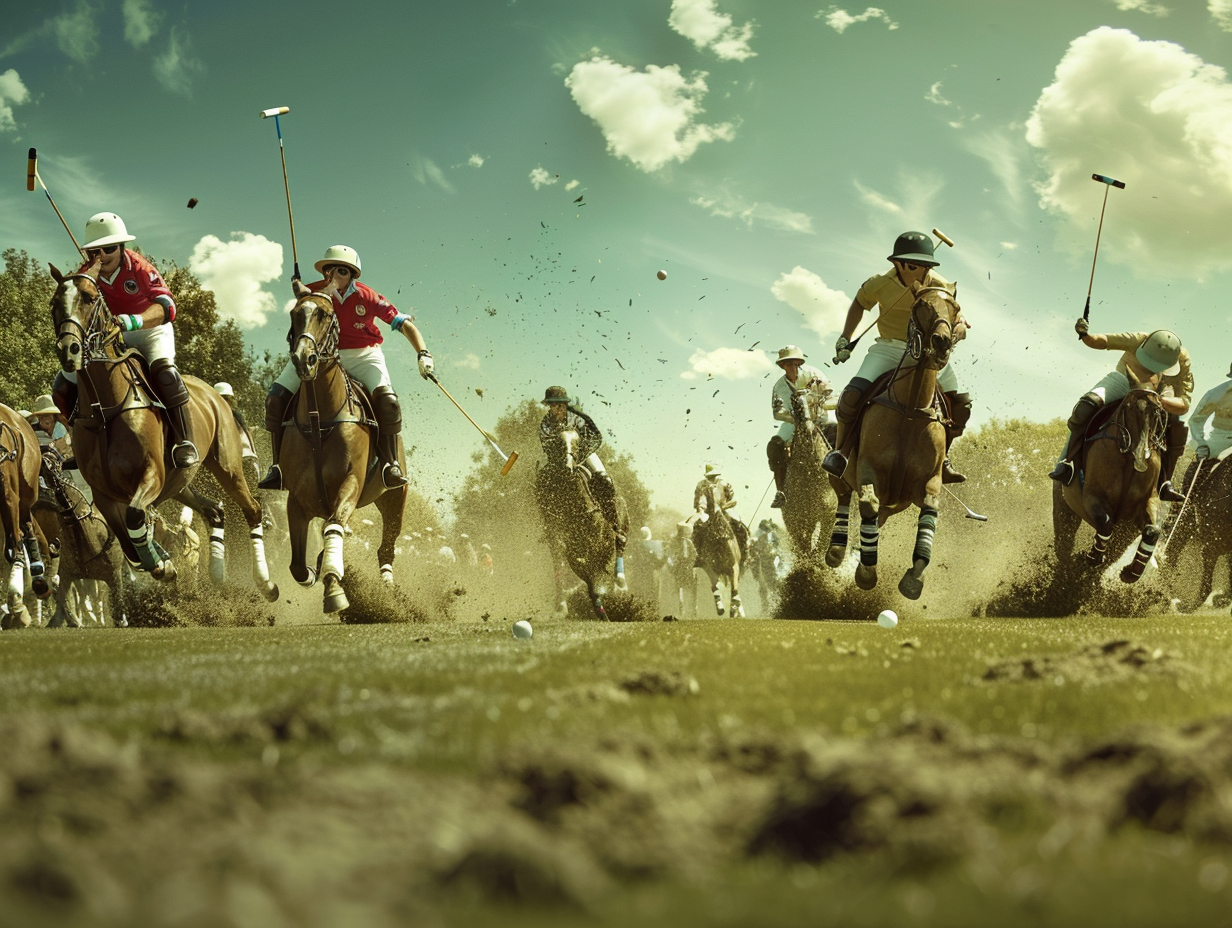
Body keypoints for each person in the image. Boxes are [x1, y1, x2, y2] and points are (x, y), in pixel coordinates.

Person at [259, 245, 433, 491]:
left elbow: (404, 324)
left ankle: (390, 464)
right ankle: (276, 467)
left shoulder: (368, 297)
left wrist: (423, 353)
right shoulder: (314, 292)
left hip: (364, 355)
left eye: (341, 271)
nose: (333, 277)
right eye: (328, 271)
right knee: (275, 398)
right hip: (321, 355)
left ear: (352, 275)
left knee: (388, 401)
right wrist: (302, 294)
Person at [823, 231, 972, 483]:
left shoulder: (940, 285)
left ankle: (943, 458)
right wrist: (845, 338)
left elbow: (958, 321)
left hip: (927, 354)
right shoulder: (879, 283)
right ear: (897, 263)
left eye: (926, 265)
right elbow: (859, 304)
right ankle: (841, 454)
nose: (921, 271)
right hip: (889, 349)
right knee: (851, 396)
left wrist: (957, 332)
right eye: (914, 265)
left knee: (962, 406)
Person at [55, 212, 198, 467]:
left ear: (121, 247)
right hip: (112, 335)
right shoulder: (87, 274)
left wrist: (133, 321)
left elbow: (167, 308)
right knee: (63, 385)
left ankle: (183, 440)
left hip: (151, 330)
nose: (102, 256)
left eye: (108, 248)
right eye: (95, 251)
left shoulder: (141, 268)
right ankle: (82, 439)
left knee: (165, 374)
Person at [1047, 324, 1191, 502]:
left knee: (1178, 426)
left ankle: (1164, 482)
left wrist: (1162, 401)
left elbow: (1185, 402)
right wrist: (1084, 334)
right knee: (1087, 405)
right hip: (1124, 382)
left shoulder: (1183, 359)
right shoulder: (1137, 339)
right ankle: (1068, 463)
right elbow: (1100, 341)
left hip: (1159, 394)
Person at [539, 385, 625, 544]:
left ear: (565, 404)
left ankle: (615, 527)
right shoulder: (545, 423)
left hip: (584, 453)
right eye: (552, 405)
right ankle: (549, 526)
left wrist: (580, 453)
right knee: (542, 482)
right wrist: (562, 457)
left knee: (604, 479)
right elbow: (547, 445)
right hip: (558, 458)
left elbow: (594, 437)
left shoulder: (578, 417)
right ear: (549, 406)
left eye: (559, 405)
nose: (556, 409)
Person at [768, 345, 832, 508]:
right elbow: (777, 412)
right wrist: (798, 419)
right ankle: (780, 491)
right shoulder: (779, 387)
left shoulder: (815, 374)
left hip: (821, 416)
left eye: (796, 362)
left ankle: (849, 478)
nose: (793, 366)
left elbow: (830, 395)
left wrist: (816, 410)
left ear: (800, 361)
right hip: (794, 422)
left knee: (839, 430)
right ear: (782, 365)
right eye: (788, 363)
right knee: (775, 443)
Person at [1179, 361, 1232, 494]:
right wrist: (1201, 443)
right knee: (1198, 468)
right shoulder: (1217, 393)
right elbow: (1196, 420)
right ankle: (1183, 505)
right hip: (1221, 439)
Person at [691, 464, 749, 565]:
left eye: (713, 476)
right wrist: (701, 508)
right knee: (696, 529)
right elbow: (697, 500)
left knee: (739, 525)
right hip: (705, 512)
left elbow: (731, 498)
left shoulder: (723, 483)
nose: (712, 478)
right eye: (710, 476)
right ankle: (697, 555)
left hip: (723, 509)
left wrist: (724, 504)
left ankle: (745, 552)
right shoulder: (701, 484)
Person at [214, 382, 260, 483]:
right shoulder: (213, 418)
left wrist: (254, 455)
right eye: (221, 398)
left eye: (226, 399)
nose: (224, 402)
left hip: (243, 459)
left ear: (230, 400)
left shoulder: (236, 416)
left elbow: (247, 435)